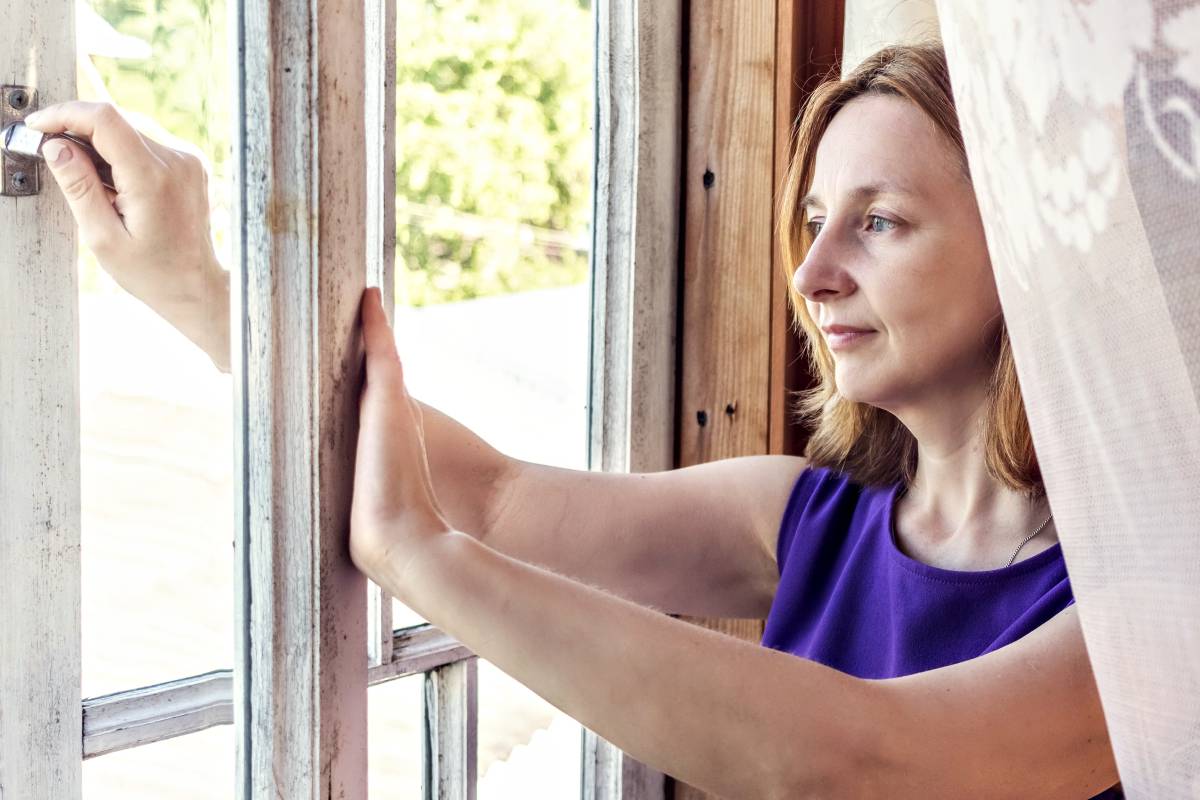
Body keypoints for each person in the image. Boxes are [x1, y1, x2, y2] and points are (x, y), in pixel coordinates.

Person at [30, 42, 1121, 798]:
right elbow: (498, 495)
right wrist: (199, 289)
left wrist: (425, 560)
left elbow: (860, 763)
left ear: (1025, 251)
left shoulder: (1145, 611)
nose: (815, 270)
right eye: (814, 219)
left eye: (879, 221)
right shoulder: (802, 517)